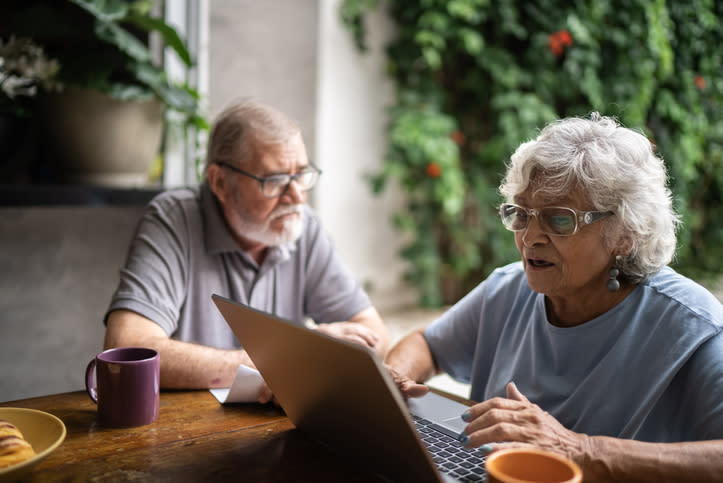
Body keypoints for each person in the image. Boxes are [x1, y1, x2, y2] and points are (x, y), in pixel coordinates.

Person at [386, 113, 723, 482]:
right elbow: (428, 345)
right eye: (521, 214)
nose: (530, 237)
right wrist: (392, 379)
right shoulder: (508, 287)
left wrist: (582, 451)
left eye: (559, 220)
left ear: (625, 234)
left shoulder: (693, 326)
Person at [104, 98, 390, 402]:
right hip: (186, 432)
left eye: (301, 175)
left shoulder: (303, 226)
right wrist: (292, 358)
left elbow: (376, 336)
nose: (296, 197)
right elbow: (128, 349)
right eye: (275, 180)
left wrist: (307, 361)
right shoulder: (174, 220)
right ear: (220, 183)